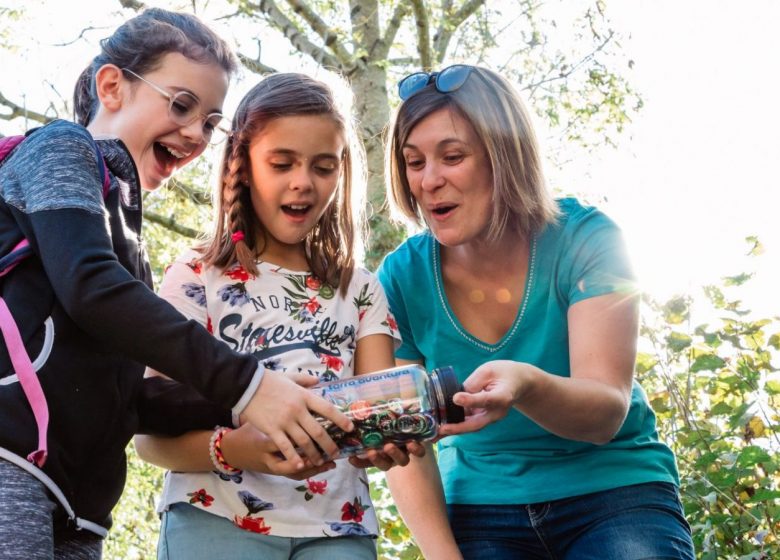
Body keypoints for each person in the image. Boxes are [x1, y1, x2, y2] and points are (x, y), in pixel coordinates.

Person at [0, 10, 353, 559]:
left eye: (211, 122)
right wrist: (251, 386)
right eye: (181, 104)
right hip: (12, 465)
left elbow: (133, 400)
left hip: (79, 503)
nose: (195, 134)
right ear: (112, 86)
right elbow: (91, 289)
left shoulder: (126, 241)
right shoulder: (59, 149)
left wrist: (261, 409)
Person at [377, 64, 696, 559]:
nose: (429, 180)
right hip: (482, 506)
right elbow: (406, 444)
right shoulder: (400, 277)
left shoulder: (588, 239)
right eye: (414, 162)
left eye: (453, 156)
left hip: (613, 492)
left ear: (505, 156)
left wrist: (526, 384)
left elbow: (606, 412)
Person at [134, 72, 415, 560]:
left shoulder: (362, 288)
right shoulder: (197, 275)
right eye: (282, 163)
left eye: (324, 167)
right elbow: (149, 442)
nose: (302, 182)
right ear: (242, 166)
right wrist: (238, 449)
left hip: (337, 530)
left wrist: (387, 441)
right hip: (213, 519)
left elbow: (377, 415)